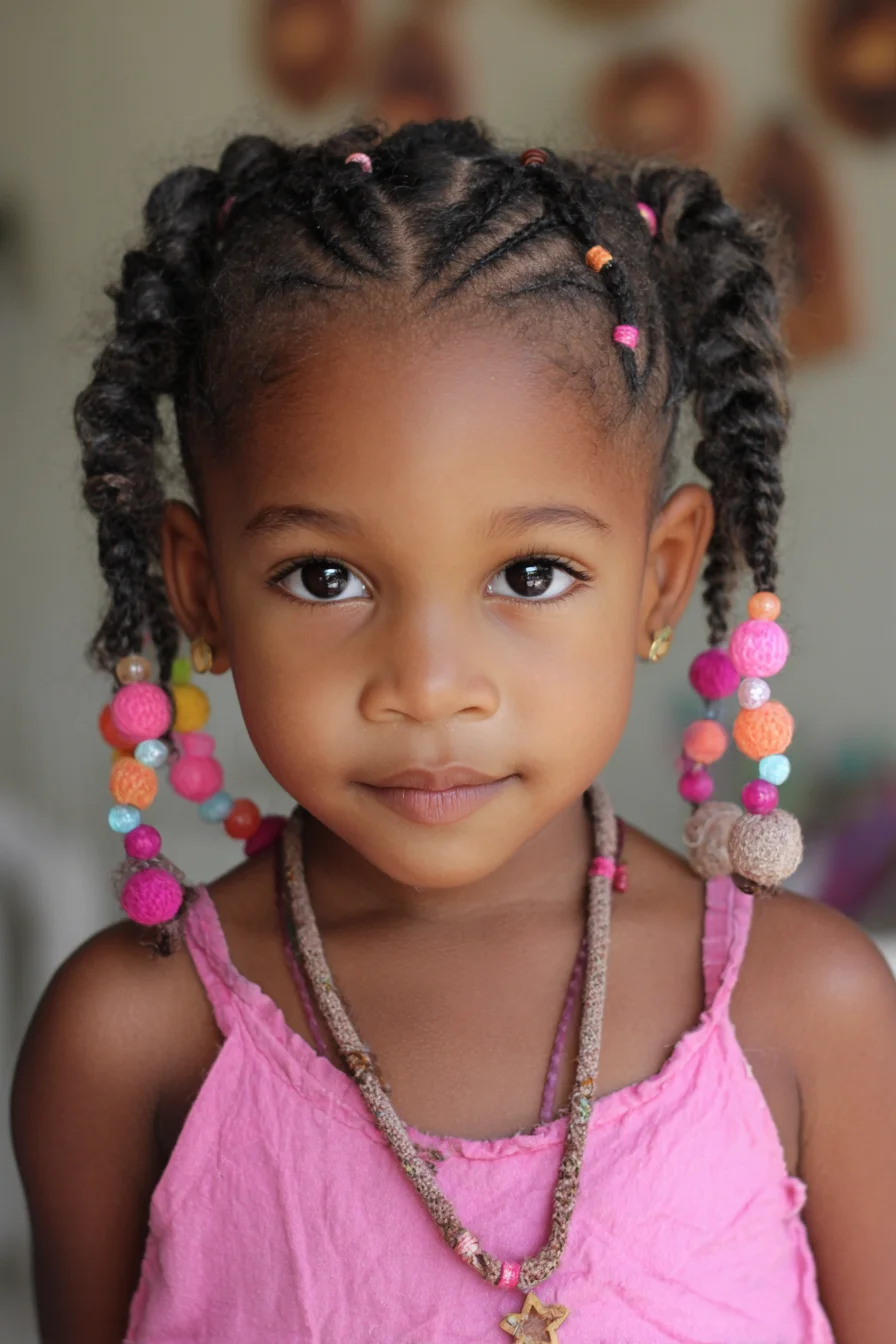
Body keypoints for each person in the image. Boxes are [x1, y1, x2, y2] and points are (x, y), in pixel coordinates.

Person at [11, 120, 896, 1344]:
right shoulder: (129, 1040)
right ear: (201, 591)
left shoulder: (808, 1010)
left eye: (529, 574)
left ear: (657, 578)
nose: (428, 686)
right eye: (325, 579)